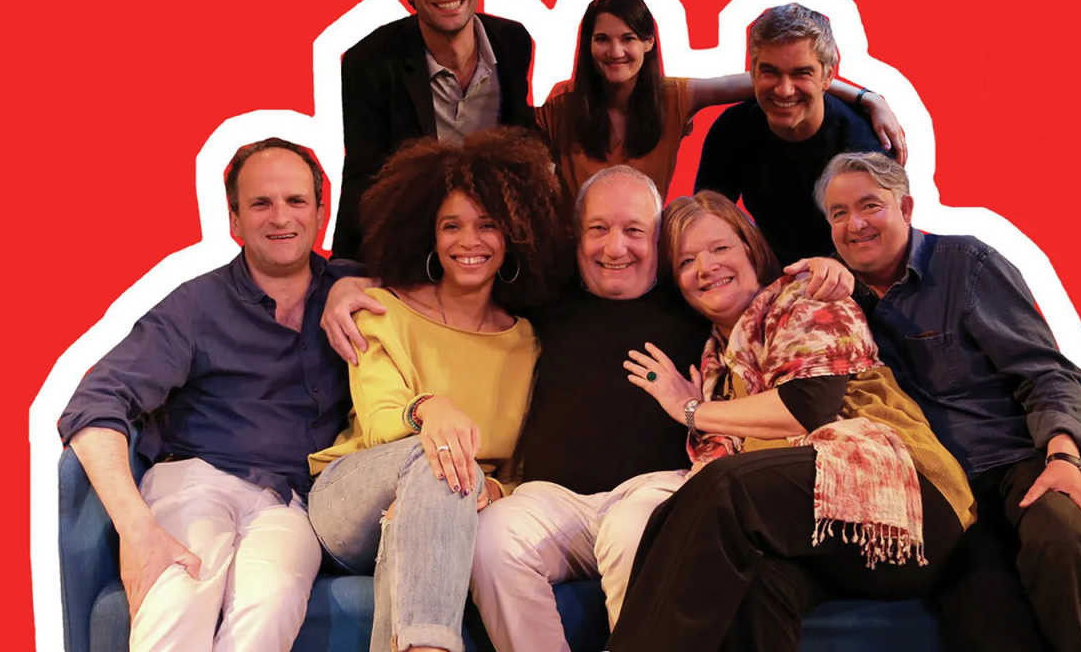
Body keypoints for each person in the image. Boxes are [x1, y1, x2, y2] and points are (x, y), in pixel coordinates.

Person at [320, 165, 855, 652]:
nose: (615, 247)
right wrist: (349, 283)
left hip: (654, 488)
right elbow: (465, 276)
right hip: (549, 497)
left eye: (634, 231)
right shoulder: (543, 301)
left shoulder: (691, 299)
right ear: (576, 237)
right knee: (491, 542)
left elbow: (754, 297)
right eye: (599, 229)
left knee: (633, 529)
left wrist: (831, 270)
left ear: (659, 242)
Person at [606, 190, 975, 652]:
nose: (706, 267)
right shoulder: (717, 363)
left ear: (751, 250)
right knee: (751, 582)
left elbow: (807, 407)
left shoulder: (806, 297)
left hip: (911, 503)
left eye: (720, 248)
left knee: (724, 490)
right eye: (686, 261)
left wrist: (691, 410)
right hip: (831, 539)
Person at [57, 138, 353, 652]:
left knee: (271, 600)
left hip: (291, 503)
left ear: (321, 213)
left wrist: (355, 283)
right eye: (260, 203)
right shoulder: (196, 306)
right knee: (179, 590)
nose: (280, 216)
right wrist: (137, 529)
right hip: (196, 480)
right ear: (234, 220)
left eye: (296, 201)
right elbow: (95, 402)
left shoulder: (353, 290)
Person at [814, 151, 1081, 652]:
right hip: (937, 495)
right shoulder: (831, 301)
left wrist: (1064, 458)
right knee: (982, 608)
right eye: (838, 213)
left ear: (906, 207)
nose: (855, 224)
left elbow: (1045, 372)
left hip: (1016, 462)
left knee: (1061, 534)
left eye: (870, 206)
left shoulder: (966, 265)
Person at [306, 128, 568, 652]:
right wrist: (432, 408)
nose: (469, 242)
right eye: (452, 226)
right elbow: (380, 423)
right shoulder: (383, 311)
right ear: (429, 234)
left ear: (514, 235)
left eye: (487, 225)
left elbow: (522, 468)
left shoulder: (528, 344)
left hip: (453, 506)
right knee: (437, 460)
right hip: (350, 499)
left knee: (439, 488)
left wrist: (495, 492)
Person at [538, 0, 905, 207]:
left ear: (648, 42)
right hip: (575, 255)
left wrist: (868, 97)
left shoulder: (672, 98)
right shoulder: (562, 104)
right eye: (602, 39)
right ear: (588, 44)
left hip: (645, 256)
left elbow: (774, 78)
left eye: (628, 38)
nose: (615, 51)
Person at [334, 0, 535, 260]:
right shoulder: (370, 62)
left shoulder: (513, 42)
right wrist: (345, 268)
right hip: (414, 248)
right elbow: (364, 178)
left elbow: (523, 150)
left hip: (499, 244)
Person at [695, 3, 896, 265]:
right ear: (753, 72)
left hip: (854, 270)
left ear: (827, 77)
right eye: (770, 72)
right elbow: (705, 221)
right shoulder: (732, 129)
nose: (784, 90)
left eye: (801, 73)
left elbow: (883, 248)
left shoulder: (864, 144)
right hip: (771, 270)